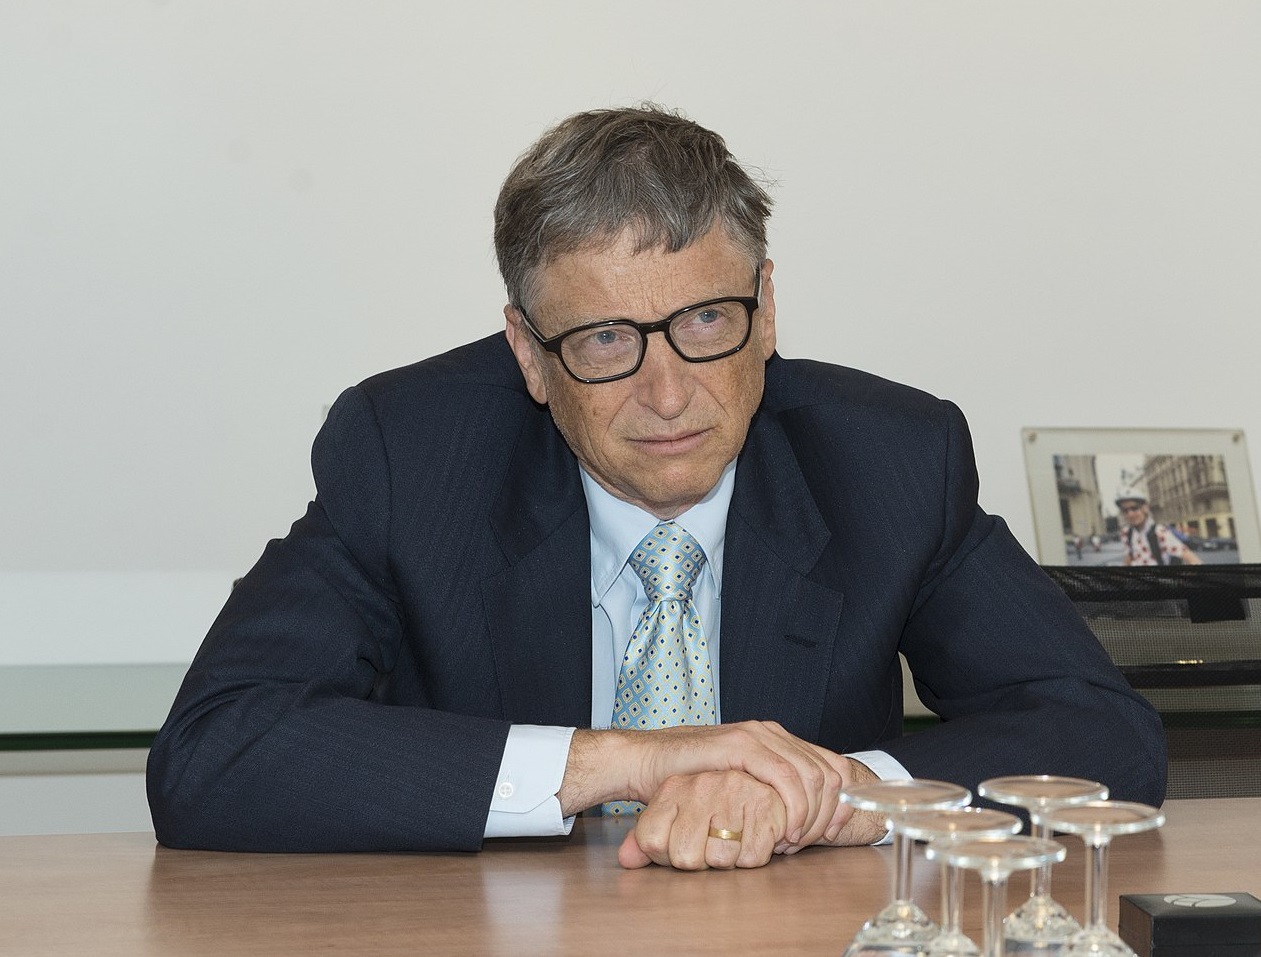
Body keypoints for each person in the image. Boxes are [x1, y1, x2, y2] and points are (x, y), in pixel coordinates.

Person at [146, 105, 1166, 870]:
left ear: (766, 311)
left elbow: (1101, 732)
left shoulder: (889, 460)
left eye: (707, 322)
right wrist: (621, 762)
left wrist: (846, 793)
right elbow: (213, 754)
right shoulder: (412, 457)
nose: (667, 391)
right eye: (603, 340)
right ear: (528, 356)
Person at [1116, 491, 1202, 566]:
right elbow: (1128, 558)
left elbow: (1193, 559)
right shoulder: (1126, 533)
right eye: (1125, 510)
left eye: (1134, 508)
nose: (1130, 514)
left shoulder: (1159, 532)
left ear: (1145, 508)